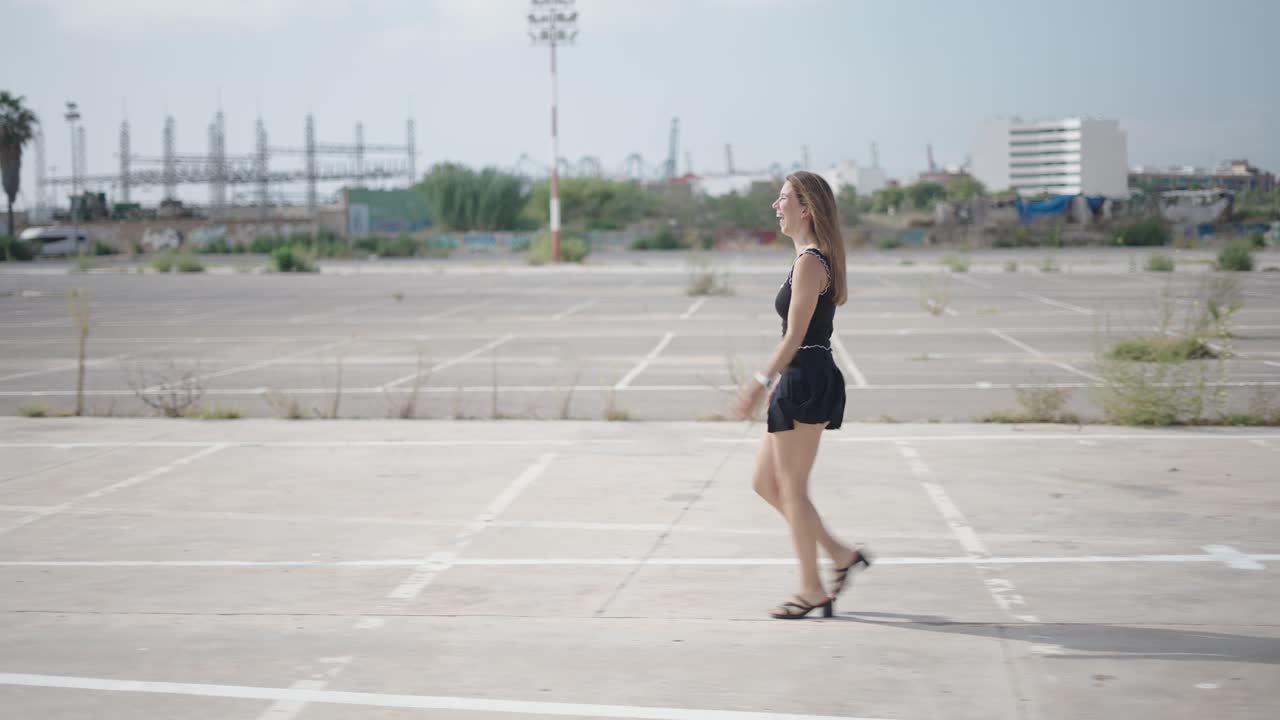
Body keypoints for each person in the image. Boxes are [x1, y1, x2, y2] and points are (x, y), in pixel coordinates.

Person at [730, 171, 872, 619]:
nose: (776, 205)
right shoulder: (806, 259)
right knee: (765, 483)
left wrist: (757, 383)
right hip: (797, 376)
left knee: (792, 488)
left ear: (806, 208)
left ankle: (812, 589)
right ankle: (840, 553)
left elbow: (794, 336)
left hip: (806, 376)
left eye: (783, 198)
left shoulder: (811, 261)